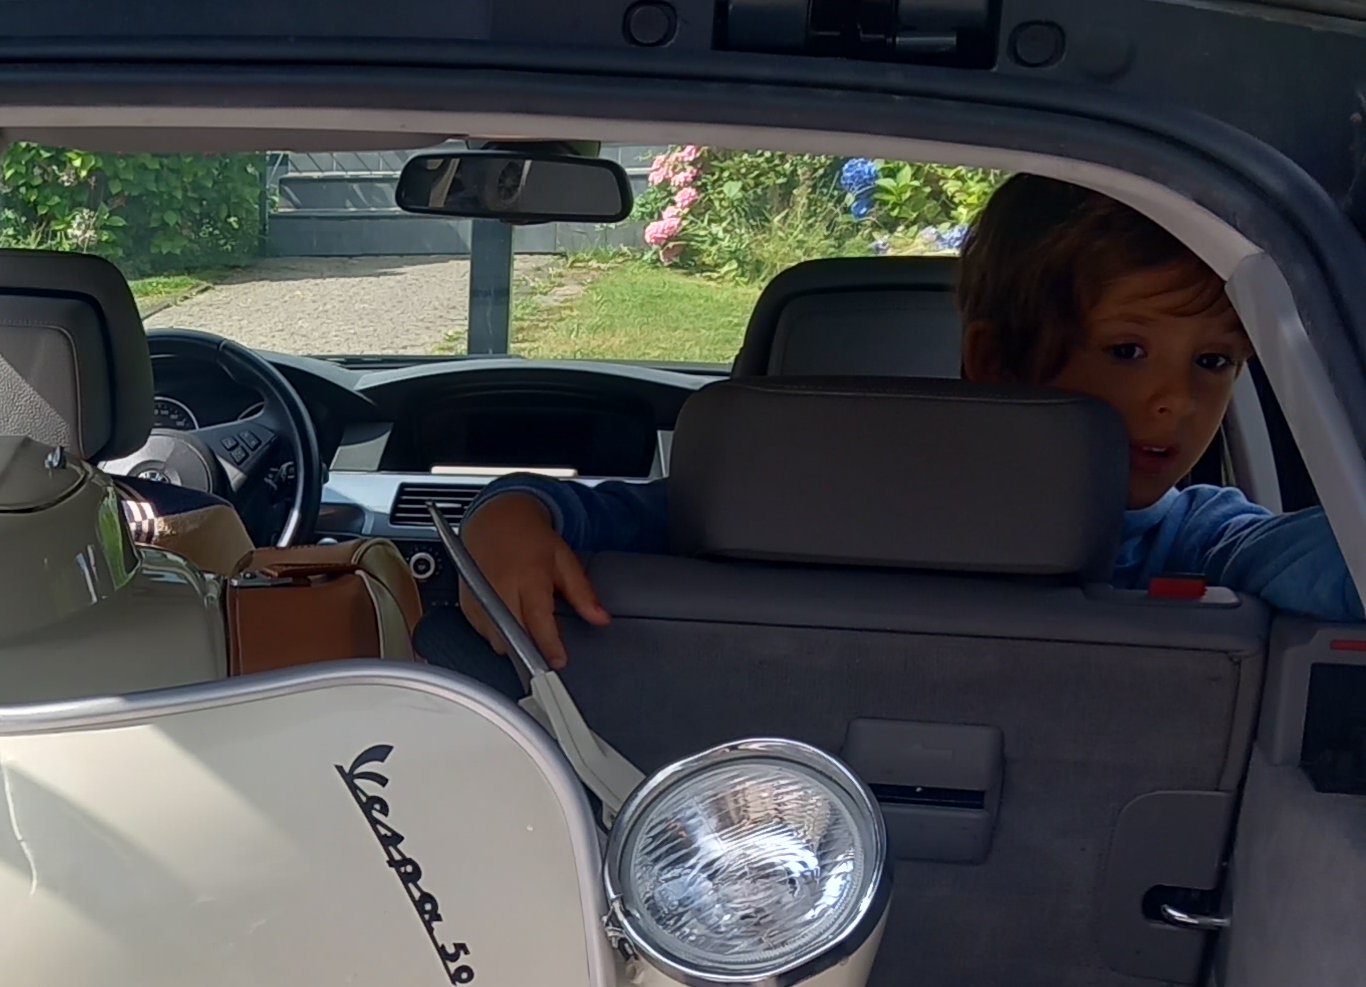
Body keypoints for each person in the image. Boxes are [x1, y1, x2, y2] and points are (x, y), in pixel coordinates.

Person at [460, 174, 1361, 663]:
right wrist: (509, 517)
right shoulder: (808, 503)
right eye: (1128, 351)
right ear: (994, 362)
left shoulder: (1200, 538)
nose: (1178, 401)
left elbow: (1323, 561)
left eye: (1215, 362)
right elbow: (589, 516)